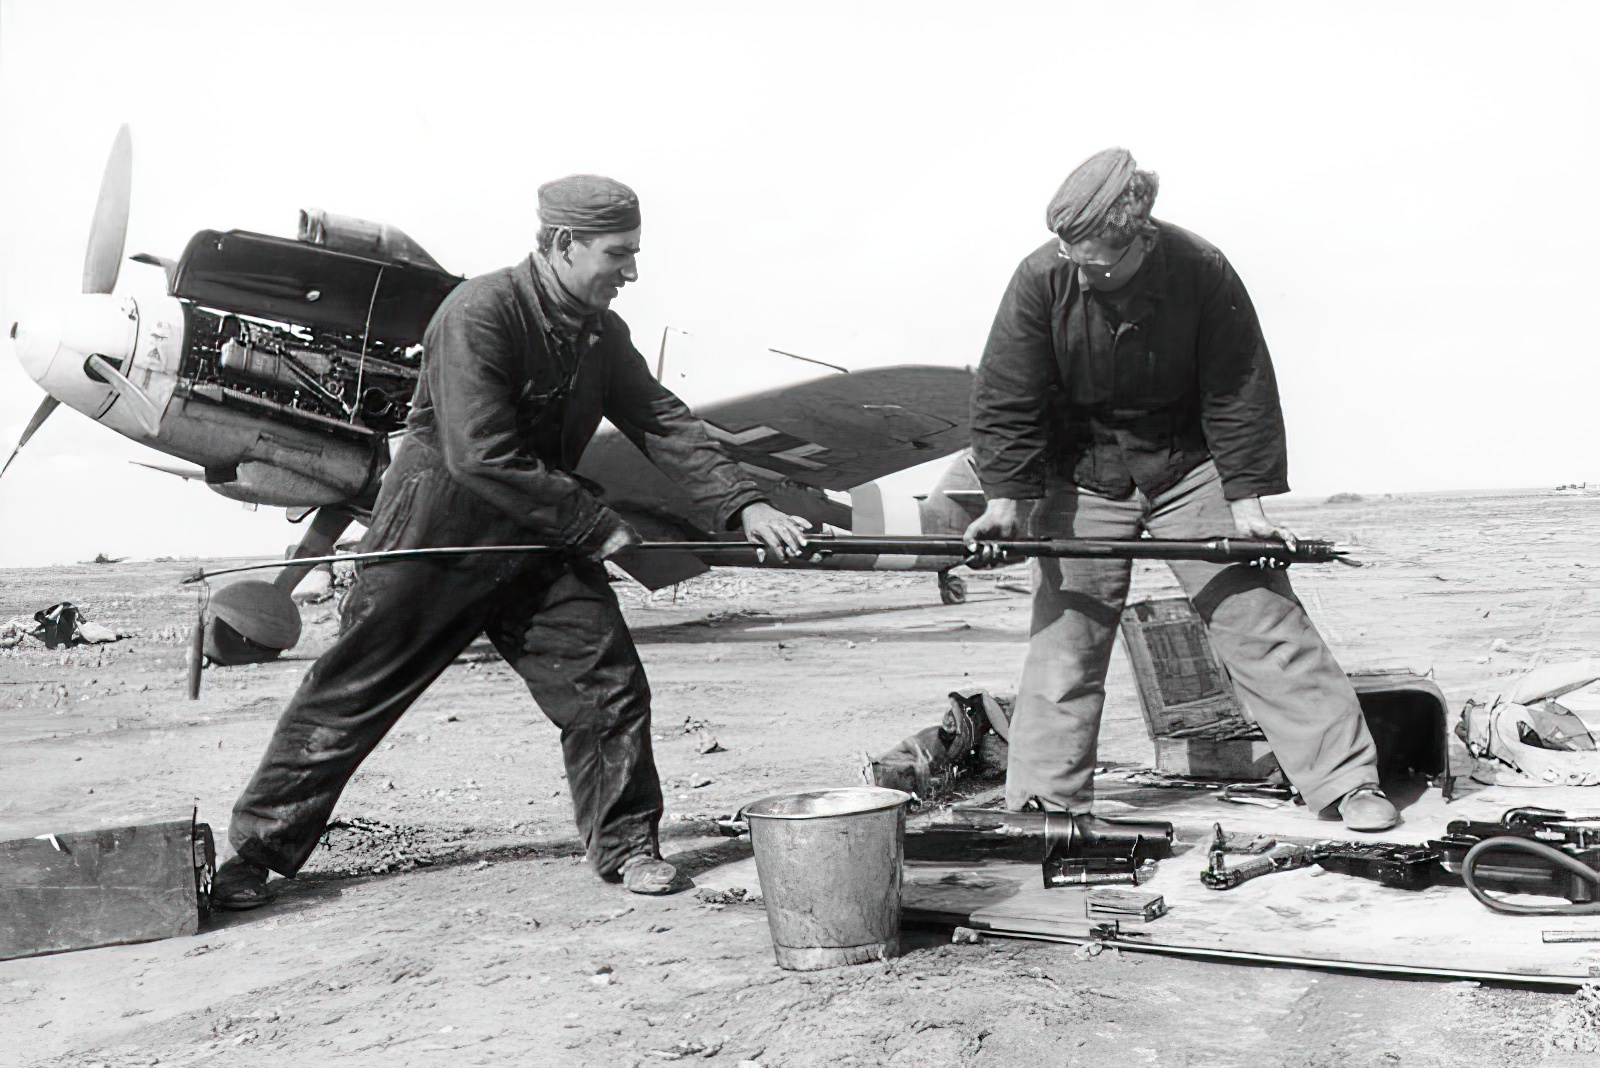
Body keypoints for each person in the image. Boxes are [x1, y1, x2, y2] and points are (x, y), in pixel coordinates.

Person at [211, 175, 810, 907]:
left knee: (607, 687)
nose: (630, 273)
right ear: (562, 245)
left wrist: (743, 503)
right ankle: (256, 856)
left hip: (537, 545)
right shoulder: (479, 313)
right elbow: (479, 453)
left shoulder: (600, 335)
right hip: (434, 540)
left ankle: (626, 847)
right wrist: (599, 529)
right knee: (349, 696)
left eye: (634, 254)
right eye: (617, 255)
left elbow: (662, 419)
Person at [964, 147, 1396, 832]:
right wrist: (1004, 503)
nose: (1084, 274)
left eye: (1098, 263)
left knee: (1259, 617)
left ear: (1139, 234)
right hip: (1082, 470)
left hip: (1186, 465)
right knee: (1067, 637)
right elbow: (1006, 395)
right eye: (1073, 259)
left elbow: (1240, 391)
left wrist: (1247, 506)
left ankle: (1346, 783)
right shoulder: (1043, 276)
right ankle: (1047, 808)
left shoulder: (1202, 269)